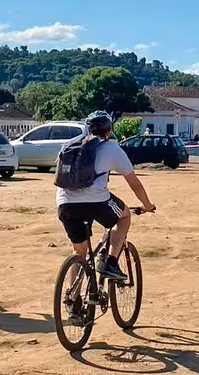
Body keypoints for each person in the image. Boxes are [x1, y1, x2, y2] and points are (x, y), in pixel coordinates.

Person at [57, 111, 155, 281]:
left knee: (78, 251)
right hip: (96, 202)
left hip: (65, 202)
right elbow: (135, 184)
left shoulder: (70, 145)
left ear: (87, 129)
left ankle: (72, 300)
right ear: (109, 131)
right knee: (124, 216)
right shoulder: (112, 148)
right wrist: (147, 205)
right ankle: (110, 262)